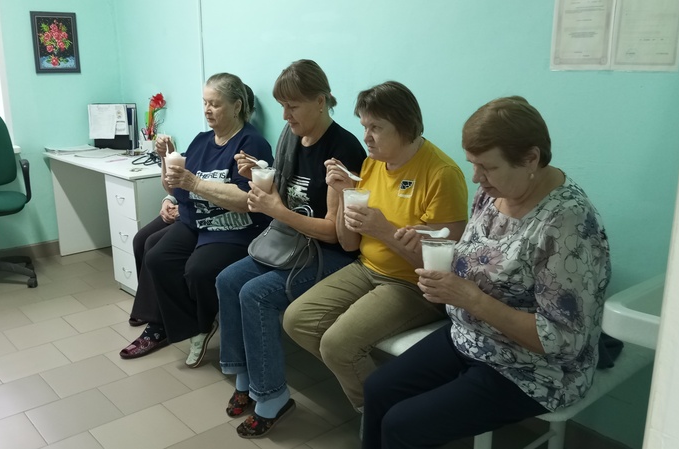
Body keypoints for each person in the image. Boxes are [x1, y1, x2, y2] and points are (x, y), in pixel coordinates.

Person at [361, 96, 612, 448]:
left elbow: (562, 340)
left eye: (487, 167)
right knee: (378, 389)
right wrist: (429, 241)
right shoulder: (492, 193)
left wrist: (471, 299)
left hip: (534, 368)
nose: (476, 178)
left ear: (531, 159)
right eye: (472, 164)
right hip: (471, 336)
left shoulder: (567, 224)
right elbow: (480, 255)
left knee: (402, 425)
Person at [282, 80, 470, 415]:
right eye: (364, 126)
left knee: (338, 345)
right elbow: (349, 242)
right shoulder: (373, 164)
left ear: (406, 127)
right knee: (297, 319)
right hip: (366, 268)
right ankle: (386, 392)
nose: (366, 137)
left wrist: (384, 230)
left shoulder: (441, 174)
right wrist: (342, 193)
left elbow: (445, 267)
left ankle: (382, 415)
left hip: (414, 285)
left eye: (376, 128)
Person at [216, 59, 366, 439]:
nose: (285, 115)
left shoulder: (343, 149)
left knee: (256, 295)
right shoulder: (290, 136)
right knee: (228, 280)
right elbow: (283, 198)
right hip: (291, 242)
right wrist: (257, 176)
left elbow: (334, 234)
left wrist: (277, 210)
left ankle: (272, 398)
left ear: (321, 101)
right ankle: (245, 377)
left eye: (293, 106)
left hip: (330, 255)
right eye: (282, 106)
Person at [120, 73, 273, 369]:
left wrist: (195, 184)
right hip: (197, 221)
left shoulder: (251, 144)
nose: (207, 110)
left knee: (197, 269)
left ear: (237, 106)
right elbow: (175, 186)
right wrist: (165, 159)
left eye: (215, 104)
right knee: (157, 257)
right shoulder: (202, 141)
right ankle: (181, 324)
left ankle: (202, 326)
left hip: (233, 227)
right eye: (205, 103)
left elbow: (247, 200)